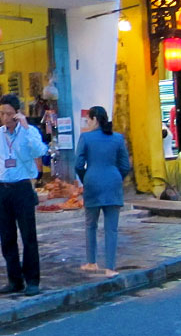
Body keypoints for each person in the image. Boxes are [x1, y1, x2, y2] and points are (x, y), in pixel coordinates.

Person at [0, 94, 47, 297]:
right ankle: (14, 279)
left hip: (22, 187)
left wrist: (26, 129)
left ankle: (32, 280)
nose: (5, 118)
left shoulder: (29, 132)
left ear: (17, 113)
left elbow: (40, 151)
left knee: (28, 236)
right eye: (2, 113)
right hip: (2, 189)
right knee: (7, 237)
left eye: (9, 114)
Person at [75, 106, 131, 278]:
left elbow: (78, 165)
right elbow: (125, 165)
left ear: (94, 120)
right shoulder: (117, 138)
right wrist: (116, 177)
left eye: (88, 120)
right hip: (113, 182)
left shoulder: (86, 138)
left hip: (92, 182)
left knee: (90, 224)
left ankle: (91, 262)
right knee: (111, 228)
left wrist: (86, 177)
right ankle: (110, 267)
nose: (87, 123)